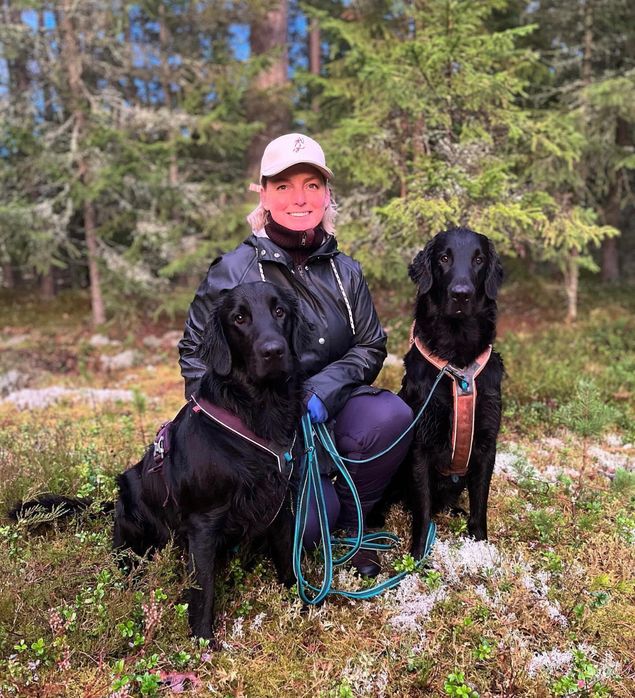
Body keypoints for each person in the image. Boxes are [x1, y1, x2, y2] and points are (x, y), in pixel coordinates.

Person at [178, 133, 413, 577]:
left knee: (391, 416)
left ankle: (351, 524)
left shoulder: (346, 271)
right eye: (283, 186)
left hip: (327, 409)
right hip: (262, 427)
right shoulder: (234, 270)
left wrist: (323, 388)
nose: (299, 198)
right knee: (303, 528)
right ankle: (306, 505)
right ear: (264, 195)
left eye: (311, 185)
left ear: (327, 195)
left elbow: (370, 343)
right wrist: (241, 428)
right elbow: (194, 353)